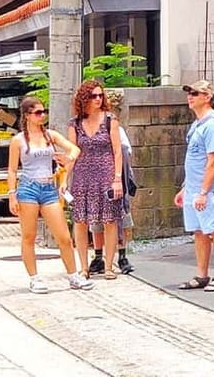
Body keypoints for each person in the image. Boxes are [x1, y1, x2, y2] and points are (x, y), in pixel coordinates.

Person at [7, 96, 93, 294]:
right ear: (27, 116)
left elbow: (75, 149)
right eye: (38, 112)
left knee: (63, 236)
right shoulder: (18, 141)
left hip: (48, 187)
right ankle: (34, 277)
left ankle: (73, 275)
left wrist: (67, 159)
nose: (42, 115)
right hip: (28, 187)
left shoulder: (50, 136)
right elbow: (12, 169)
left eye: (43, 111)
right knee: (29, 236)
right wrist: (12, 194)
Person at [174, 80, 214, 292]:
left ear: (207, 97)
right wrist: (186, 188)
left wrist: (204, 192)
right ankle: (202, 274)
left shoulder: (213, 125)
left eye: (195, 93)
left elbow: (213, 161)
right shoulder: (198, 124)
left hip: (208, 189)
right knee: (198, 231)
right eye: (189, 92)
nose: (190, 96)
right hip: (194, 187)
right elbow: (194, 159)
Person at [67, 81, 124, 280]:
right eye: (93, 96)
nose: (98, 99)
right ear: (84, 99)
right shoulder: (74, 124)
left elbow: (117, 151)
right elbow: (72, 153)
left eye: (100, 95)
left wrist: (117, 179)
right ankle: (83, 267)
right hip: (82, 177)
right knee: (81, 220)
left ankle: (108, 266)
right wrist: (64, 180)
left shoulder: (110, 120)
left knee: (110, 220)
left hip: (106, 175)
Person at [89, 122, 135, 275]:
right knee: (96, 221)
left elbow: (125, 153)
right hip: (96, 181)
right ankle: (98, 257)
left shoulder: (118, 131)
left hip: (116, 180)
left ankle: (122, 256)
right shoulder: (89, 130)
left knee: (121, 219)